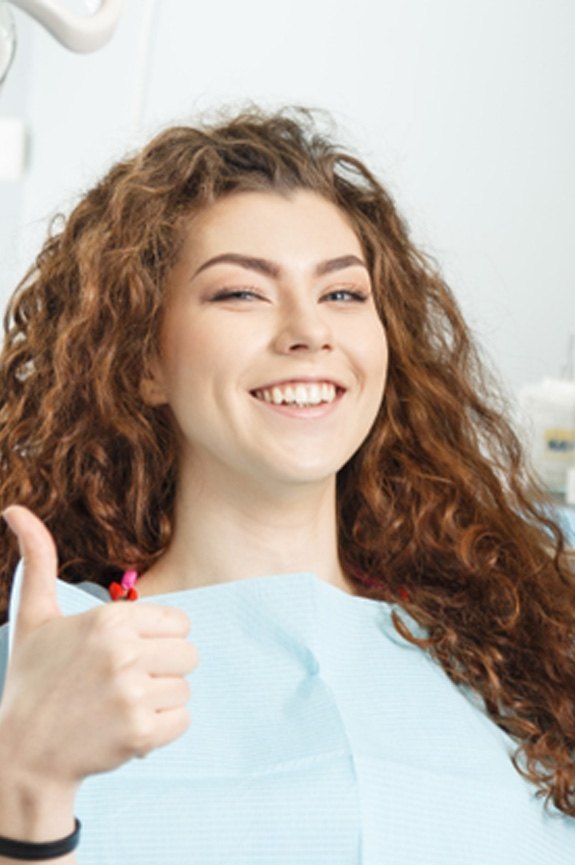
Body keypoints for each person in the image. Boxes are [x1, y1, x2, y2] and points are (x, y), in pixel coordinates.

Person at [0, 106, 573, 865]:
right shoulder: (45, 656)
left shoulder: (513, 647)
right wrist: (28, 785)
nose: (310, 331)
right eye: (241, 293)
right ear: (141, 361)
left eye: (342, 294)